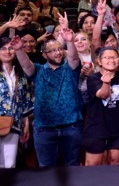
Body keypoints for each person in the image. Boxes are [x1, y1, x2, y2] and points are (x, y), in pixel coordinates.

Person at [15, 23, 83, 167]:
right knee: (46, 168)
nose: (58, 53)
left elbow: (74, 58)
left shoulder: (70, 69)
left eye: (59, 49)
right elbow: (26, 65)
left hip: (71, 126)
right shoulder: (38, 70)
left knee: (73, 166)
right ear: (44, 55)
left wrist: (70, 41)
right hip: (44, 128)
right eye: (52, 51)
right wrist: (19, 50)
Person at [82, 47, 119, 166]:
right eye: (107, 58)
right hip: (96, 127)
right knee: (93, 164)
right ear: (99, 61)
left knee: (116, 160)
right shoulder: (93, 78)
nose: (111, 60)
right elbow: (103, 95)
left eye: (114, 57)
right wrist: (106, 83)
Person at [0, 37, 33, 168]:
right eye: (3, 48)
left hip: (14, 123)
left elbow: (26, 99)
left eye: (10, 48)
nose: (7, 51)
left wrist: (26, 124)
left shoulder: (21, 73)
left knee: (9, 164)